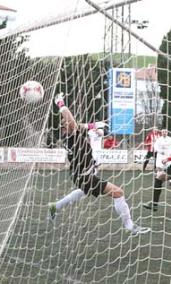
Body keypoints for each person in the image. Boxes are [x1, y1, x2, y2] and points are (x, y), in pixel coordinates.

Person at [48, 93, 150, 236]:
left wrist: (94, 126)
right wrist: (60, 104)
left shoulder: (73, 135)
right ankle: (130, 226)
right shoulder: (71, 136)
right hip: (86, 177)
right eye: (66, 124)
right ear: (65, 129)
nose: (70, 123)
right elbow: (72, 122)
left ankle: (55, 206)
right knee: (118, 193)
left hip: (82, 175)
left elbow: (82, 125)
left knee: (83, 192)